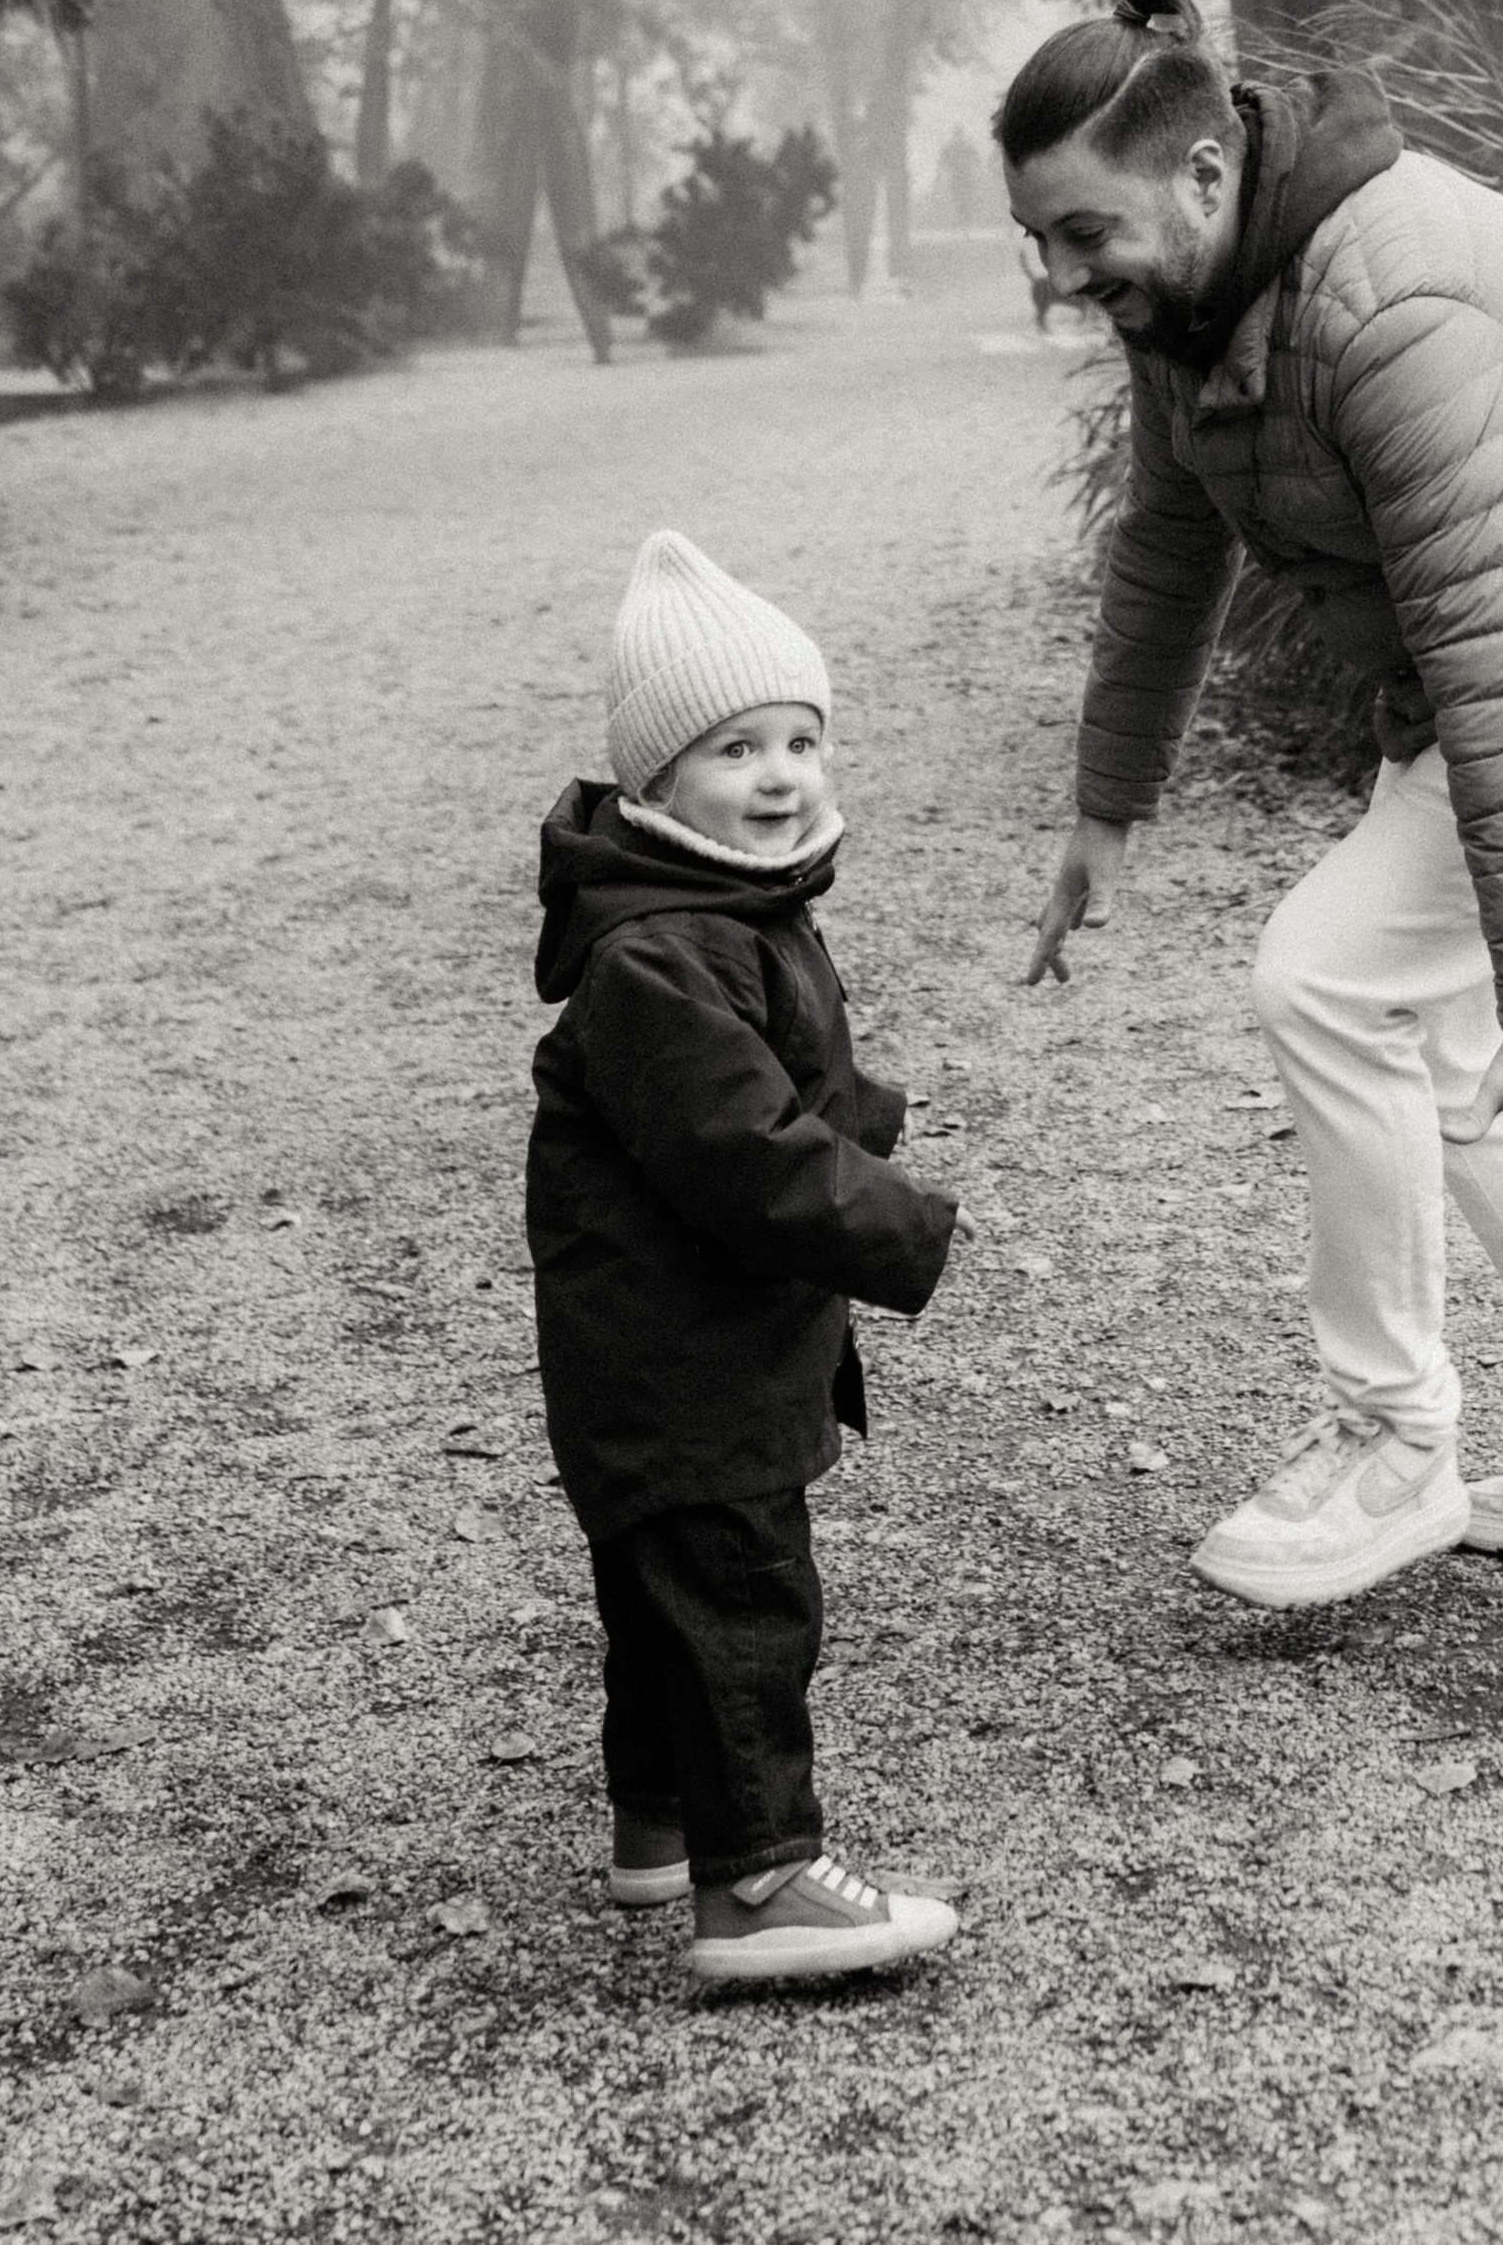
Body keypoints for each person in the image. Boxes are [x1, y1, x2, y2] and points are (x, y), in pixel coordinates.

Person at [1004, 0, 1503, 1610]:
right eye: (1046, 242)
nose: (1065, 277)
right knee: (1423, 1044)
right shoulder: (1198, 301)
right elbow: (1165, 546)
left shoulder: (1390, 302)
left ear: (1203, 174)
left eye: (1084, 236)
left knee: (1330, 978)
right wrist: (1110, 797)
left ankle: (1390, 1439)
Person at [527, 528, 962, 1984]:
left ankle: (661, 1824)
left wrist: (866, 1114)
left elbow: (774, 1083)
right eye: (734, 751)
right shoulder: (658, 957)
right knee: (740, 1607)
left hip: (681, 1355)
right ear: (655, 787)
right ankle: (762, 1873)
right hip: (680, 1360)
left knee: (670, 1608)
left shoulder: (732, 911)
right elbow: (742, 1153)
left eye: (802, 740)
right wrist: (903, 1220)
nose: (782, 778)